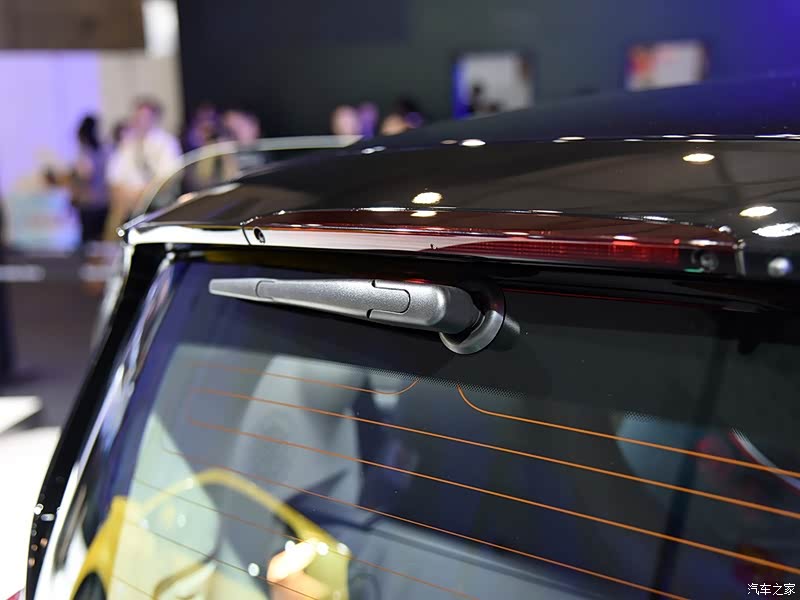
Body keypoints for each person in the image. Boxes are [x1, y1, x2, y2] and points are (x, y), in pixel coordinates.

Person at [106, 98, 181, 238]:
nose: (140, 122)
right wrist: (124, 193)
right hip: (128, 202)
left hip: (157, 201)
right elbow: (114, 176)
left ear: (154, 119)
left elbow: (169, 177)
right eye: (137, 117)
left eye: (144, 117)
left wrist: (143, 194)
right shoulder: (127, 143)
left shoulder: (166, 142)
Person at [71, 116, 109, 244]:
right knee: (100, 239)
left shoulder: (86, 152)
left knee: (88, 241)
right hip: (104, 201)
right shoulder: (105, 150)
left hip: (89, 202)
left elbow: (85, 174)